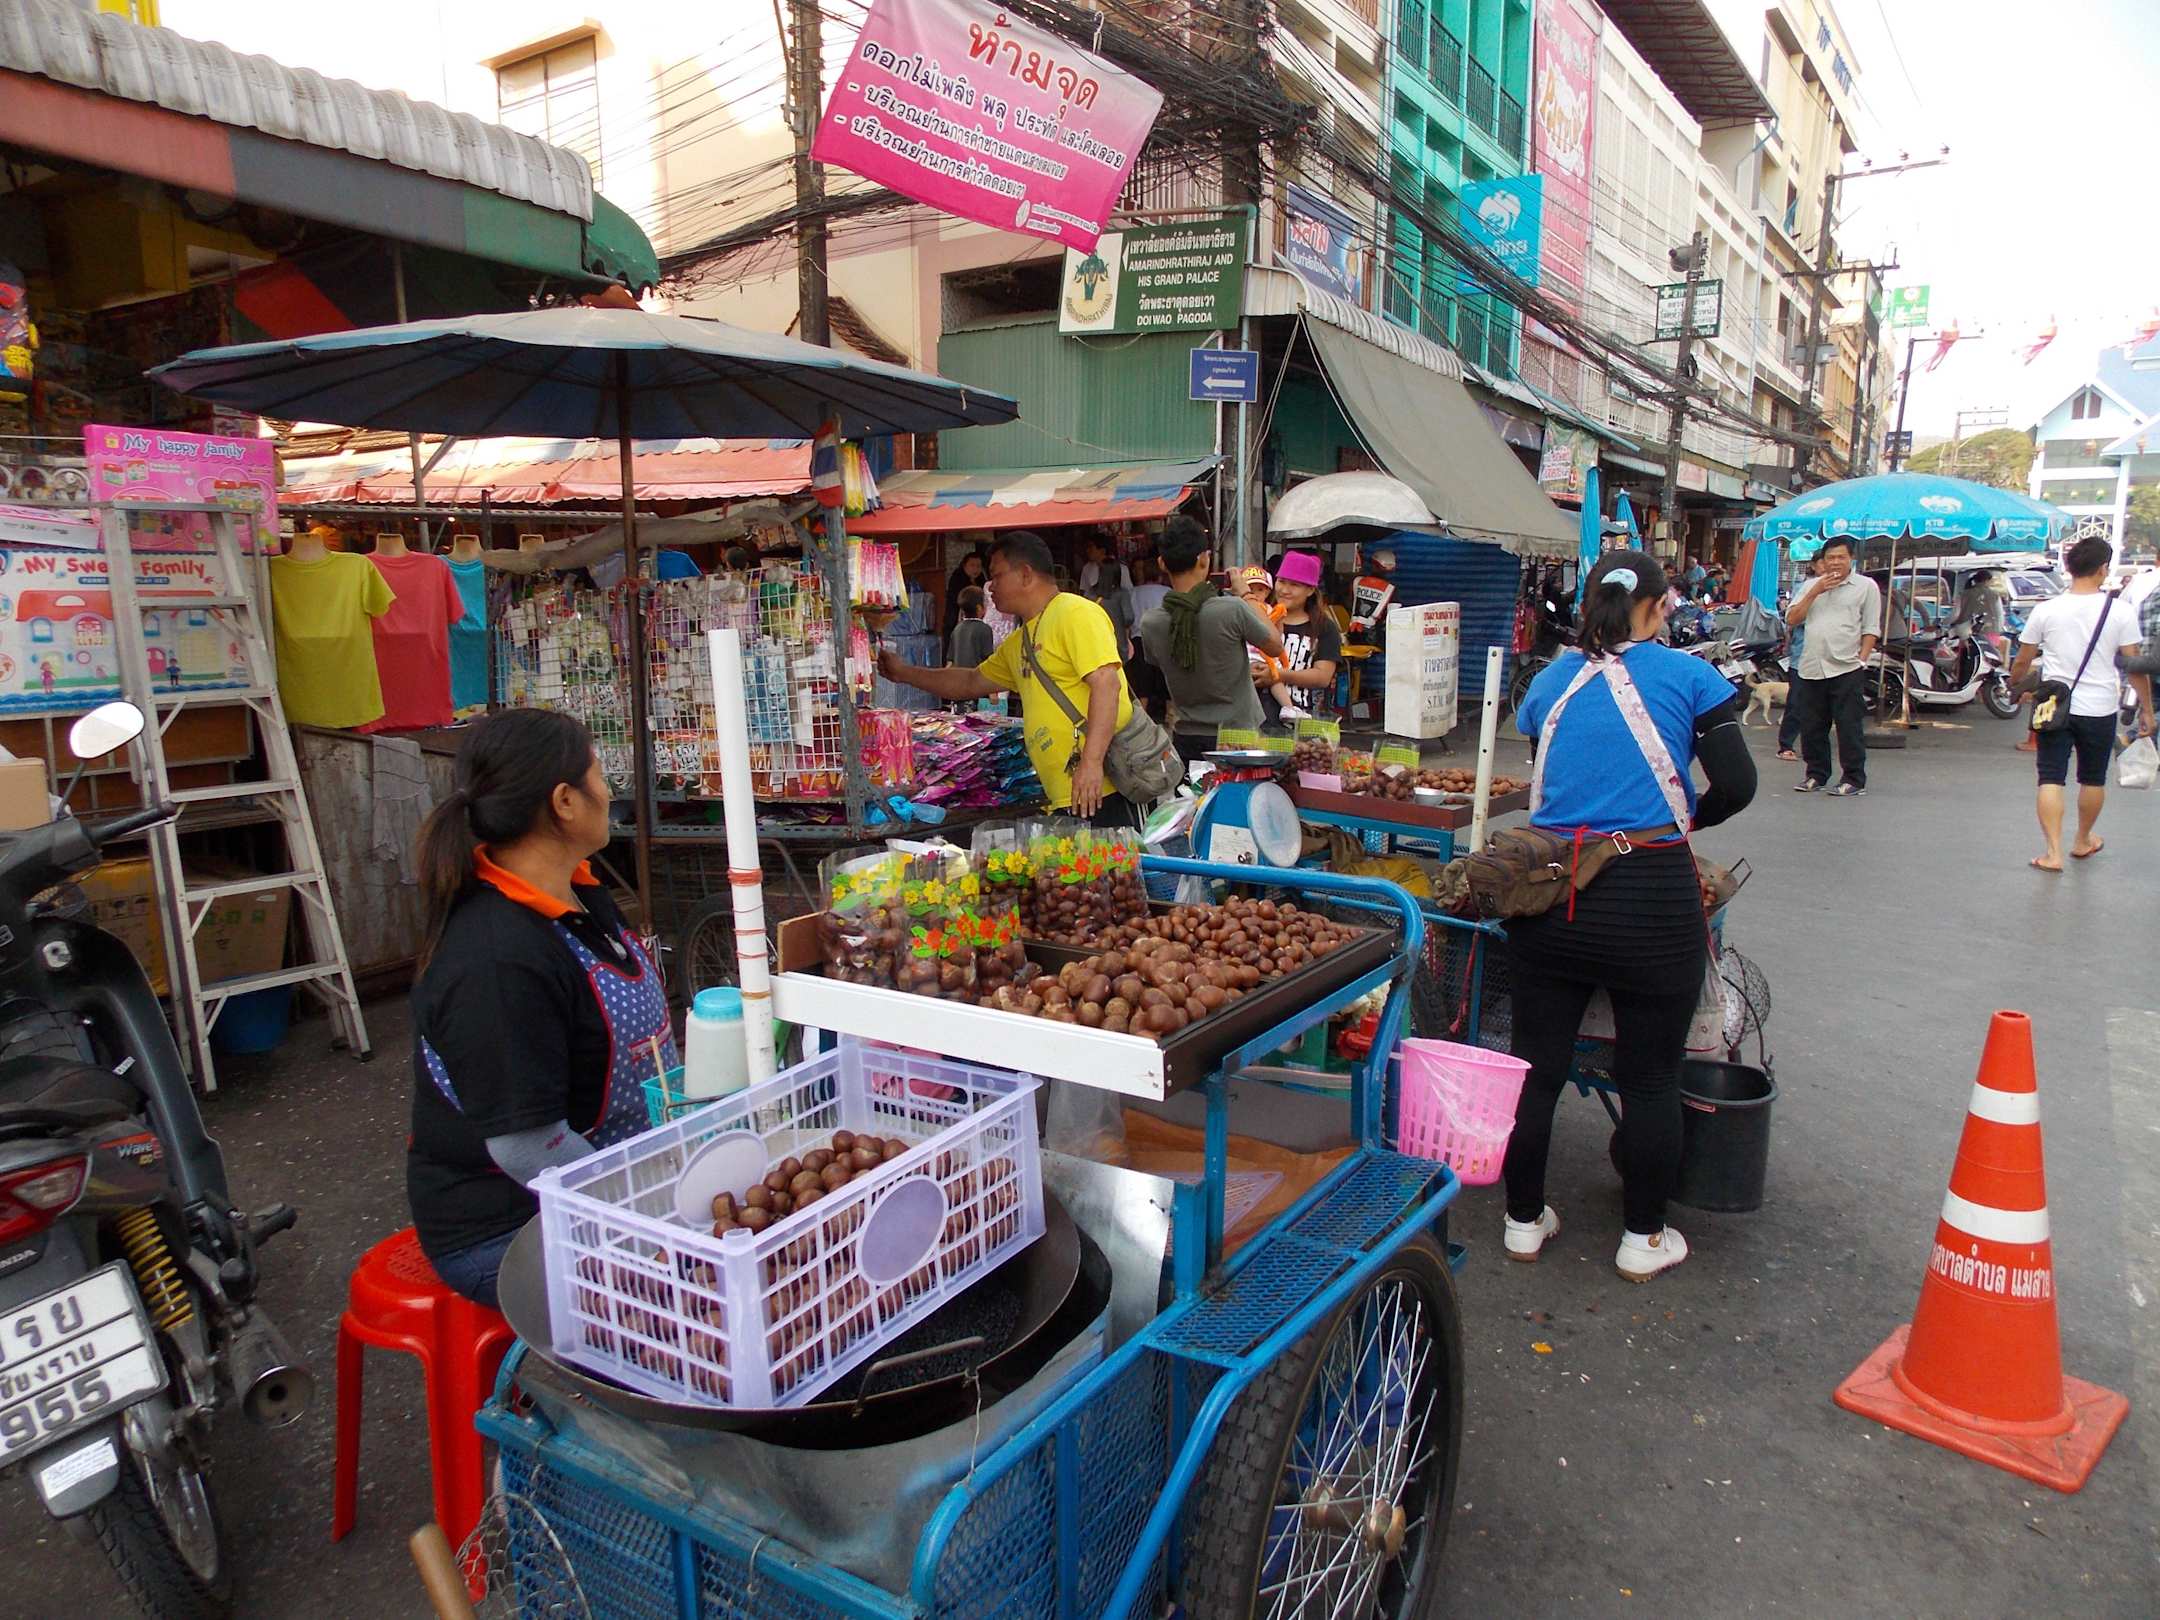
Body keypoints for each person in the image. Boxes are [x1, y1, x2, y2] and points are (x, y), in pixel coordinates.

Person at [1503, 551, 1756, 1282]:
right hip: (1651, 897)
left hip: (1550, 894)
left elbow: (1556, 769)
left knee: (1536, 1070)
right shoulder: (1690, 677)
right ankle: (1643, 1238)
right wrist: (1688, 819)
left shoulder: (1548, 681)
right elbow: (1738, 783)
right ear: (1659, 603)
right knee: (1649, 1079)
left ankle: (1523, 1222)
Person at [405, 710, 674, 1308]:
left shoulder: (575, 891)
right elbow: (527, 1149)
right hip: (514, 1226)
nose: (608, 789)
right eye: (598, 773)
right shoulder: (495, 961)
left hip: (622, 1179)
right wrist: (653, 1229)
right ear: (565, 801)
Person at [880, 530, 1139, 824]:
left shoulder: (1075, 613)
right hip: (1065, 795)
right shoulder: (1020, 641)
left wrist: (1091, 763)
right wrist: (904, 672)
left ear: (1026, 574)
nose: (990, 586)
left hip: (1101, 789)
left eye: (997, 575)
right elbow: (969, 682)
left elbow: (1106, 683)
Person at [2011, 535, 2154, 872]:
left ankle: (2052, 853)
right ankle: (2082, 839)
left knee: (2050, 777)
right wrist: (2146, 709)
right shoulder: (2119, 612)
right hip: (2099, 707)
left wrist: (2015, 684)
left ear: (2069, 567)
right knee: (2092, 778)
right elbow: (2134, 666)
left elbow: (2023, 660)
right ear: (2103, 568)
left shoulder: (2046, 610)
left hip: (2053, 705)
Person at [1136, 514, 1284, 764]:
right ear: (1203, 560)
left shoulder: (1151, 622)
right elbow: (1275, 645)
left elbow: (1159, 664)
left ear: (1162, 563)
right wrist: (1246, 594)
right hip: (1238, 738)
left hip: (1186, 738)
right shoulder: (1232, 609)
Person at [1784, 537, 1880, 797]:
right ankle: (1816, 774)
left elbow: (1871, 628)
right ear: (1822, 561)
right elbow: (1792, 619)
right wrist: (1815, 591)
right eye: (1830, 558)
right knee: (1812, 726)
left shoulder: (1866, 587)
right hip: (1811, 665)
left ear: (1851, 559)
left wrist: (1862, 659)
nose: (1835, 562)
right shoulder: (1810, 586)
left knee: (1849, 726)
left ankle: (1853, 778)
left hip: (1846, 667)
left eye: (1841, 557)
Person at [1263, 551, 1342, 723]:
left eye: (1294, 585)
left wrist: (1277, 675)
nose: (1284, 590)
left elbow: (1323, 677)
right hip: (1258, 716)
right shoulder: (1261, 617)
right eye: (1281, 581)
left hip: (1302, 720)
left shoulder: (1324, 627)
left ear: (1310, 590)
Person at [949, 585, 994, 669]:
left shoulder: (957, 629)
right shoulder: (984, 629)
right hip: (976, 675)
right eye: (985, 602)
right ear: (979, 608)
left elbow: (951, 660)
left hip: (959, 674)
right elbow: (988, 660)